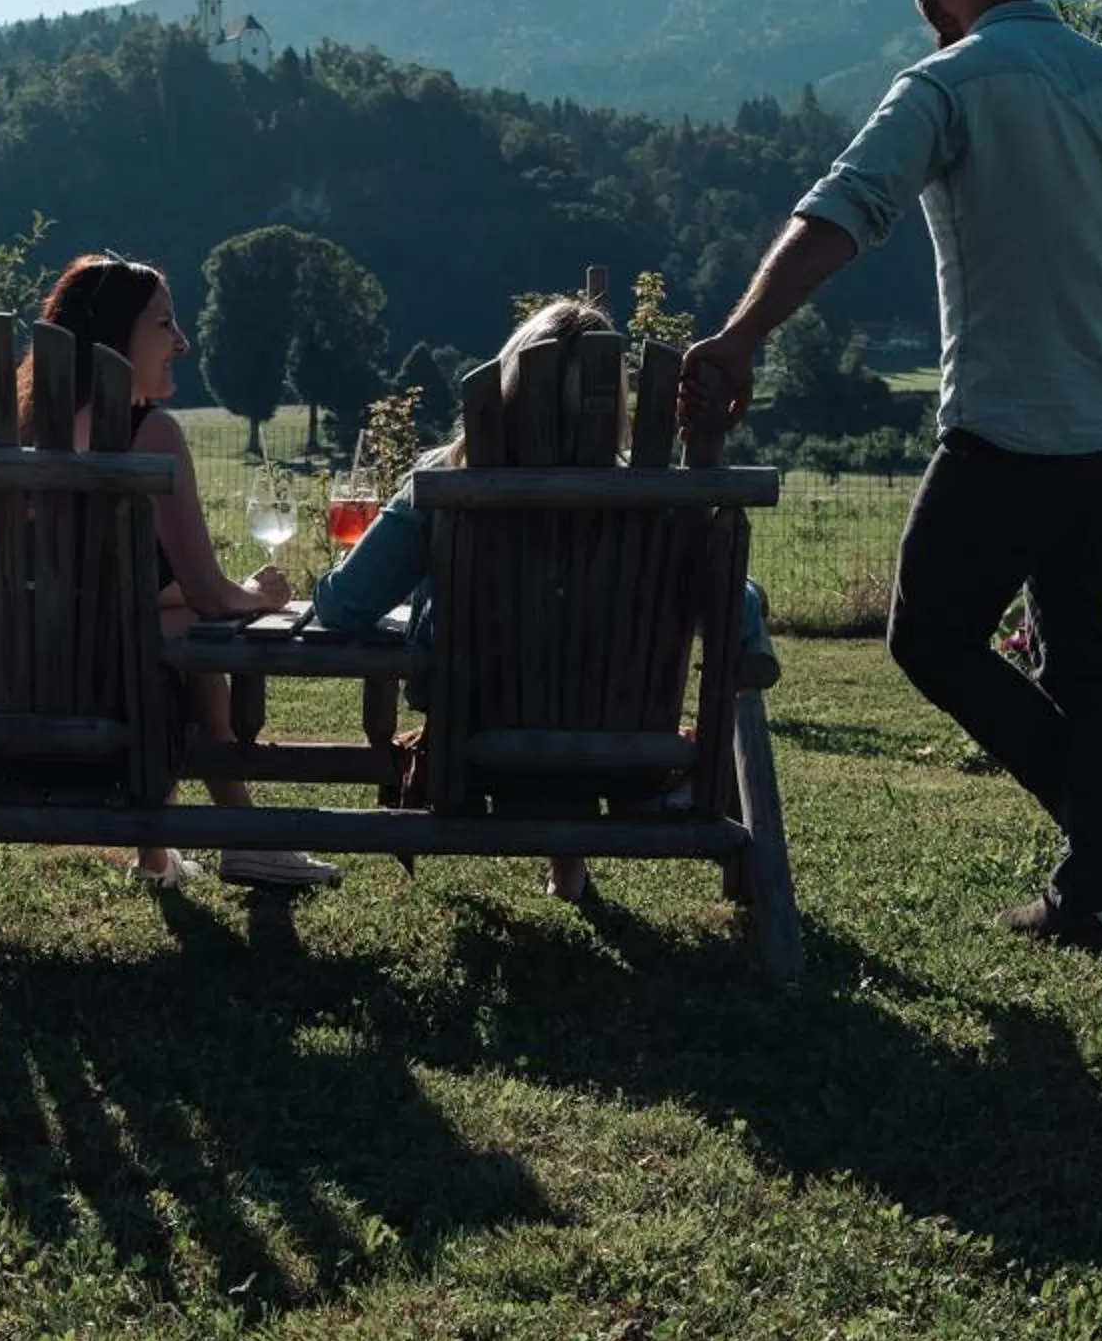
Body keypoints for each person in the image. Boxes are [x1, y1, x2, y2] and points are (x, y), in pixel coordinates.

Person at [679, 0, 1102, 947]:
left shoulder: (948, 83)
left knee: (928, 636)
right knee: (1083, 645)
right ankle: (1095, 884)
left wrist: (742, 333)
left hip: (1009, 423)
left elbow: (846, 209)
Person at [312, 296, 770, 907]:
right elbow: (735, 623)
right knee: (575, 639)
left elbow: (344, 607)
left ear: (505, 389)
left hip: (478, 749)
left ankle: (567, 865)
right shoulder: (656, 504)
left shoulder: (444, 484)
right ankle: (572, 867)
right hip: (628, 755)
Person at [27, 253, 339, 891]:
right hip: (114, 710)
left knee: (175, 618)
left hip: (23, 692)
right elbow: (209, 592)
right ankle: (244, 835)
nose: (183, 343)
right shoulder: (152, 434)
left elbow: (96, 587)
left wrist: (186, 600)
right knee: (194, 625)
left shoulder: (30, 433)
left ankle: (166, 854)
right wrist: (253, 593)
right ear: (116, 337)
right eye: (165, 325)